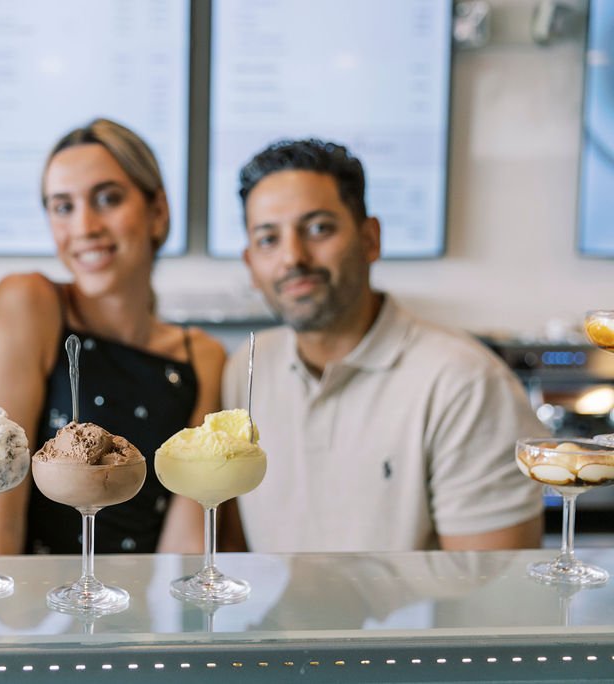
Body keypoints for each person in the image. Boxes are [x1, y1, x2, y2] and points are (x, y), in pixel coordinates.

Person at [223, 139, 546, 552]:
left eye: (319, 228)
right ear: (251, 264)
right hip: (274, 619)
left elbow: (489, 591)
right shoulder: (247, 368)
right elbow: (231, 554)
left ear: (370, 239)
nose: (292, 257)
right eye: (268, 239)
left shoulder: (465, 383)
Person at [0, 118, 227, 555]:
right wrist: (5, 622)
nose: (85, 227)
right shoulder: (29, 303)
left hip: (139, 611)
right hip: (33, 608)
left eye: (107, 199)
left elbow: (187, 540)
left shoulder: (202, 357)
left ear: (158, 211)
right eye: (62, 207)